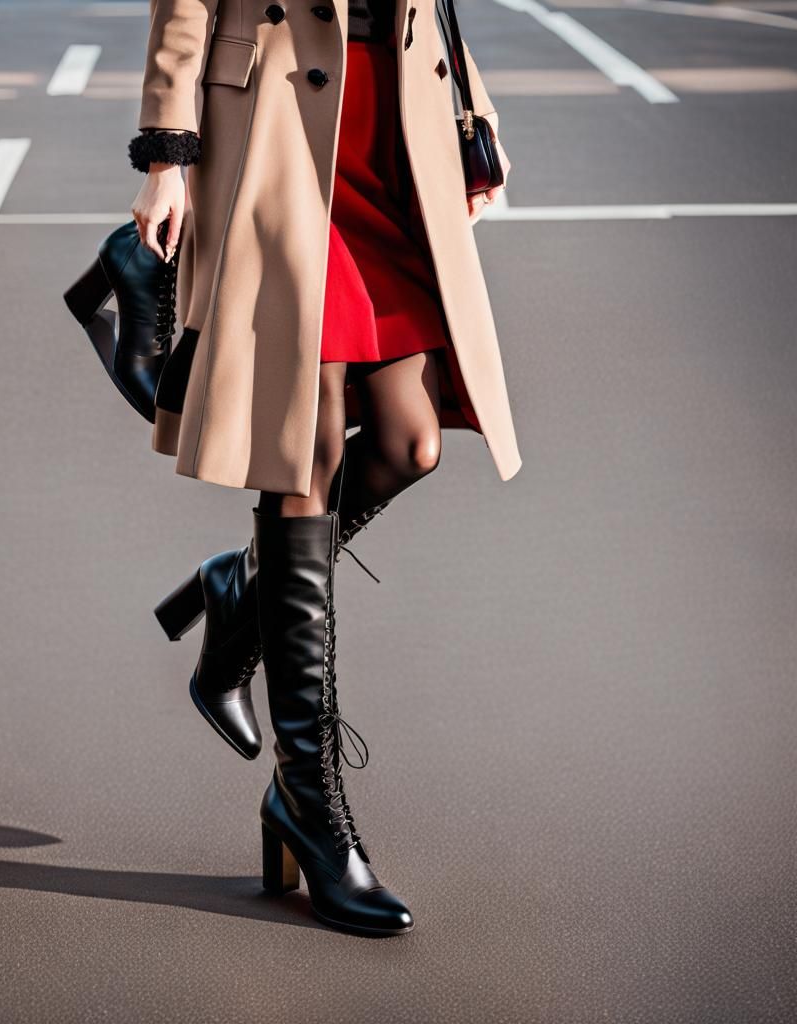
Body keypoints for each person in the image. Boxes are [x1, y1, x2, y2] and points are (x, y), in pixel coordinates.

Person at [129, 0, 519, 937]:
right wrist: (166, 152)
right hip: (278, 122)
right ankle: (310, 800)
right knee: (304, 438)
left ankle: (243, 587)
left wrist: (476, 115)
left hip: (391, 125)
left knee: (407, 441)